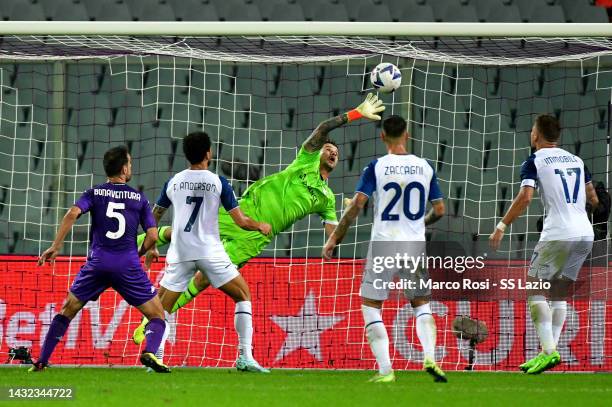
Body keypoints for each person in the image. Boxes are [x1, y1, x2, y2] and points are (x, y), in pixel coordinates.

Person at [132, 93, 385, 342]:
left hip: (255, 237)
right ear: (318, 153)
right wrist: (355, 114)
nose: (332, 153)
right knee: (185, 232)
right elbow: (322, 128)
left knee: (203, 278)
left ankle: (151, 321)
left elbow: (333, 238)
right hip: (241, 212)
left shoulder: (327, 199)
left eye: (336, 153)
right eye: (328, 149)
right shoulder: (304, 161)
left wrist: (350, 213)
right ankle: (133, 245)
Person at [322, 115, 446, 383]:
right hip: (413, 244)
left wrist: (335, 239)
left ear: (382, 137)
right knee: (421, 303)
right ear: (407, 135)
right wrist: (419, 223)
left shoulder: (376, 167)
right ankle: (430, 357)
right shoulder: (424, 166)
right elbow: (439, 210)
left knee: (371, 305)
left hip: (384, 243)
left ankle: (386, 371)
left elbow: (356, 206)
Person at [31, 146, 169, 373]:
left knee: (68, 309)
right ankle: (150, 351)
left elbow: (72, 214)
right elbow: (153, 235)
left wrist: (56, 246)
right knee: (157, 315)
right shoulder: (139, 198)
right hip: (128, 265)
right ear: (124, 169)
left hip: (98, 263)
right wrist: (141, 253)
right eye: (130, 164)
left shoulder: (94, 192)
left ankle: (42, 361)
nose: (131, 167)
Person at [148, 131, 272, 372]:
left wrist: (152, 245)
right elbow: (240, 221)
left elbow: (155, 216)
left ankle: (156, 358)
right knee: (243, 295)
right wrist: (260, 225)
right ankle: (245, 357)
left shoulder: (173, 181)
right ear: (208, 153)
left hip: (181, 251)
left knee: (161, 308)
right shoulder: (218, 182)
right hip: (210, 252)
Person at [489, 114, 600, 374]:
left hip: (558, 232)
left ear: (536, 135)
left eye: (532, 131)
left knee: (534, 288)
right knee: (559, 292)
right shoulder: (577, 160)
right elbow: (593, 198)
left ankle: (549, 351)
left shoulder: (534, 161)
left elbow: (526, 198)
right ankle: (546, 352)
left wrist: (501, 225)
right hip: (585, 232)